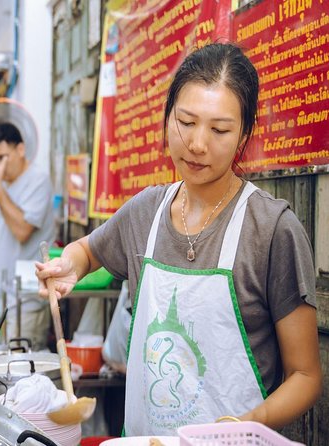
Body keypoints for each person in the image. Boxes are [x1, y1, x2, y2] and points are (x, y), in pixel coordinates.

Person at [35, 43, 322, 435]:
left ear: (243, 137)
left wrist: (250, 424)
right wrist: (70, 263)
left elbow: (305, 374)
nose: (198, 144)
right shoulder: (145, 212)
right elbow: (87, 250)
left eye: (220, 129)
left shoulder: (271, 230)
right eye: (186, 122)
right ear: (168, 117)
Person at [0, 122, 56, 349]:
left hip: (28, 300)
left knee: (23, 370)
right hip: (3, 298)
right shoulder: (1, 186)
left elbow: (22, 231)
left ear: (20, 150)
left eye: (3, 158)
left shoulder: (38, 180)